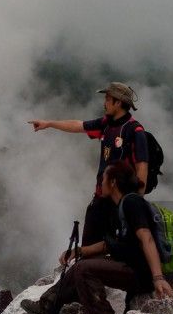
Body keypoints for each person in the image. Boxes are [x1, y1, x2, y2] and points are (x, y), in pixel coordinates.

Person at [21, 161, 173, 314]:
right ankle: (48, 305)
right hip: (130, 265)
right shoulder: (118, 207)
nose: (100, 183)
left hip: (141, 273)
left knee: (83, 270)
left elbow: (146, 237)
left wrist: (158, 277)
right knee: (80, 266)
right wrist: (80, 251)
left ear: (114, 182)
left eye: (104, 179)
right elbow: (109, 245)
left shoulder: (132, 202)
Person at [28, 81, 149, 245]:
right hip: (100, 197)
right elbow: (78, 125)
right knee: (89, 245)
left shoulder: (135, 131)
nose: (104, 103)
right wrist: (49, 123)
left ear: (118, 102)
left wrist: (136, 203)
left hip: (121, 202)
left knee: (113, 247)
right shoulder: (106, 124)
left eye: (107, 98)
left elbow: (142, 167)